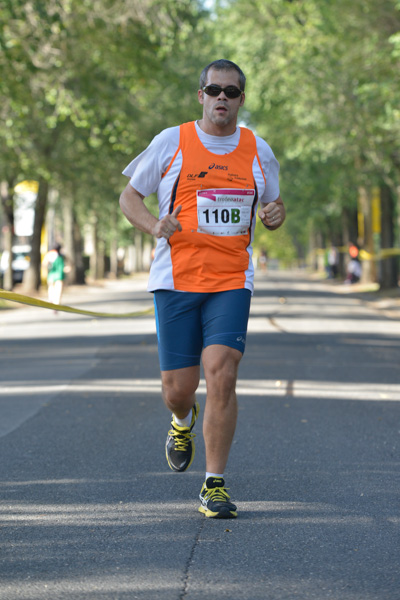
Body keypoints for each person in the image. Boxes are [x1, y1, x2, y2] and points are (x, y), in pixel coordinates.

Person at [119, 59, 286, 519]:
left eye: (231, 92)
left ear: (241, 100)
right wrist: (156, 224)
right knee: (178, 388)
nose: (222, 98)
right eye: (214, 90)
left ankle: (214, 484)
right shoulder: (172, 141)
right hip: (176, 280)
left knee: (222, 372)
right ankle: (180, 420)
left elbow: (273, 203)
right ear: (201, 95)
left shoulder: (257, 148)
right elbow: (129, 197)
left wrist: (276, 215)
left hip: (232, 281)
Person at [43, 244, 67, 311]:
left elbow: (44, 264)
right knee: (58, 291)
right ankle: (56, 305)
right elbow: (66, 266)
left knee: (51, 288)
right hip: (60, 275)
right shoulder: (61, 255)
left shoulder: (49, 254)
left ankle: (51, 300)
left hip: (51, 275)